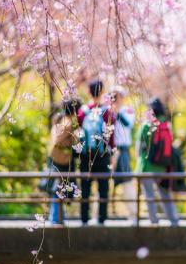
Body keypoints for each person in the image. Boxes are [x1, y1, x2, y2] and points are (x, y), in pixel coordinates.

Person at [135, 97, 179, 227]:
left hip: (146, 167)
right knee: (165, 195)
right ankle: (174, 220)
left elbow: (138, 148)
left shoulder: (145, 126)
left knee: (149, 196)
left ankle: (154, 221)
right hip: (163, 167)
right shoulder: (167, 125)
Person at [77, 80, 116, 226]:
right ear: (101, 92)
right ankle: (102, 219)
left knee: (85, 189)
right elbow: (111, 136)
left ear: (89, 92)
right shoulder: (107, 111)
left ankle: (84, 219)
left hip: (86, 156)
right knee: (103, 189)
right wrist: (111, 153)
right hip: (102, 155)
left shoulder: (83, 111)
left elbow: (77, 132)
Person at [44, 98, 81, 224]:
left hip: (58, 158)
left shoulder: (61, 119)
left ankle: (58, 217)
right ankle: (56, 218)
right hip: (60, 160)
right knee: (58, 189)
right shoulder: (66, 122)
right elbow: (58, 139)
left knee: (61, 190)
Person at [109, 87, 138, 225]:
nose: (116, 98)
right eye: (114, 95)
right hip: (110, 151)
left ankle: (133, 215)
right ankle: (100, 215)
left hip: (123, 150)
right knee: (105, 183)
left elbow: (128, 124)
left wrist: (117, 110)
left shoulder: (128, 110)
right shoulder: (106, 110)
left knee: (127, 182)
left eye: (118, 95)